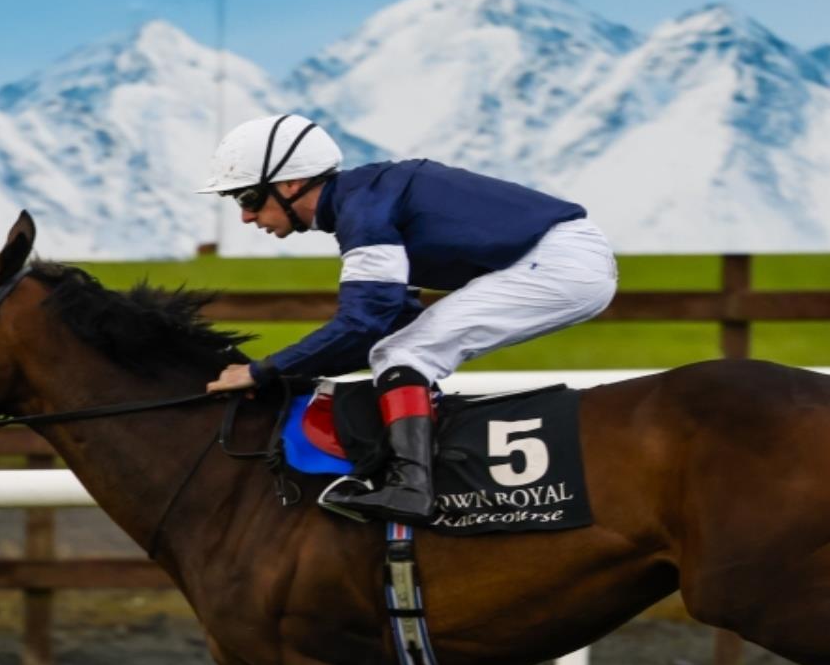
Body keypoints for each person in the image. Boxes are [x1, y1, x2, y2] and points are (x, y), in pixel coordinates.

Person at [198, 114, 617, 524]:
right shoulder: (363, 199)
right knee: (399, 350)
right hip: (565, 260)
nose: (246, 217)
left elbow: (363, 323)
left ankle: (411, 489)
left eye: (249, 198)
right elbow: (385, 324)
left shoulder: (364, 210)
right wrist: (284, 375)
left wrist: (265, 370)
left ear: (290, 183)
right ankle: (413, 475)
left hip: (561, 264)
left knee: (405, 355)